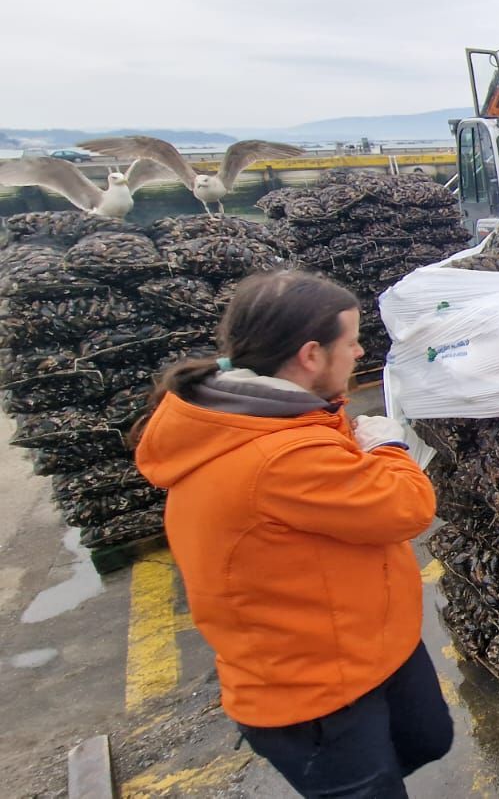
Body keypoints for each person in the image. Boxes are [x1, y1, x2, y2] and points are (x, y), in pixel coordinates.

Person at [134, 270, 450, 798]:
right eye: (350, 343)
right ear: (310, 355)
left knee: (428, 739)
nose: (360, 353)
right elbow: (407, 508)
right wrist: (389, 448)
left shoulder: (274, 412)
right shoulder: (279, 455)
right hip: (315, 692)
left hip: (364, 646)